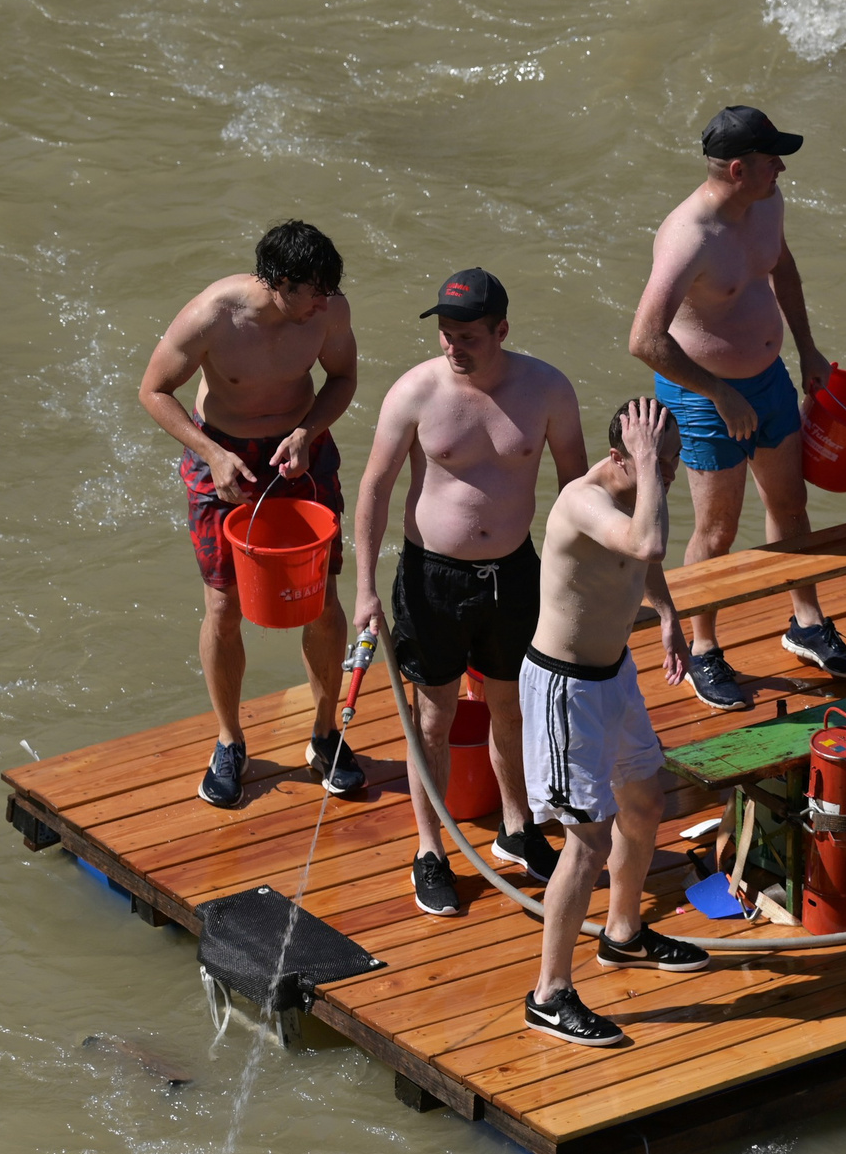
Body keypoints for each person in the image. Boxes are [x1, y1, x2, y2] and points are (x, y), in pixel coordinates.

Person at [353, 269, 589, 918]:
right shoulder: (415, 392)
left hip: (513, 573)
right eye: (446, 334)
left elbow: (577, 489)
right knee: (434, 717)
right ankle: (430, 851)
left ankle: (517, 827)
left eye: (468, 336)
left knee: (512, 707)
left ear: (502, 331)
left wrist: (580, 584)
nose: (453, 347)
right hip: (432, 578)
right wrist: (365, 589)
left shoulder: (547, 389)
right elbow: (373, 488)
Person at [629, 104, 846, 708]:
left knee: (790, 503)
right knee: (717, 529)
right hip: (706, 396)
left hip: (769, 378)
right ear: (738, 168)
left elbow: (782, 268)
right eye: (771, 160)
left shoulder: (768, 205)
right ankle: (704, 648)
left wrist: (809, 349)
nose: (781, 167)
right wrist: (719, 393)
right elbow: (645, 340)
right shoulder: (688, 238)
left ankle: (805, 621)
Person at [137, 220, 360, 809]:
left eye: (328, 292)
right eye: (311, 292)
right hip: (223, 455)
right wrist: (212, 455)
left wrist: (309, 431)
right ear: (278, 282)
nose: (322, 305)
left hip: (300, 453)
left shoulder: (328, 310)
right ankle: (230, 741)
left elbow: (342, 377)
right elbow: (153, 390)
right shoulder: (213, 315)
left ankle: (324, 732)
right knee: (223, 603)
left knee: (321, 597)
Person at [521, 398, 706, 1047]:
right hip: (564, 687)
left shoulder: (640, 492)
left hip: (615, 674)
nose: (673, 472)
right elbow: (647, 539)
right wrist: (652, 463)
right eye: (663, 460)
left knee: (647, 800)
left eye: (677, 459)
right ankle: (549, 992)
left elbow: (646, 559)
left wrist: (667, 614)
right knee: (588, 841)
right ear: (622, 456)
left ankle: (623, 932)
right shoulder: (583, 500)